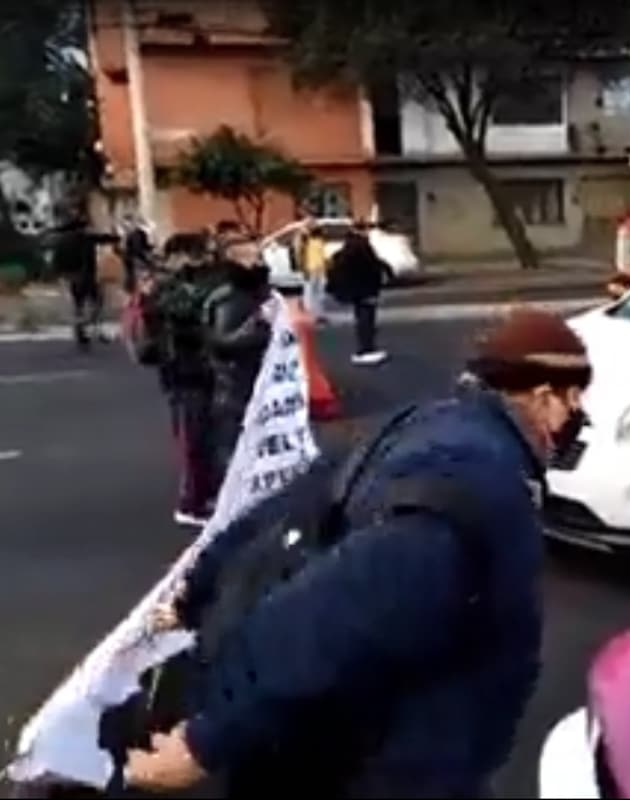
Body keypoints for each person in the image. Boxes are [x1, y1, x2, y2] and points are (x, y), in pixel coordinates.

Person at [125, 309, 593, 798]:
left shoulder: (419, 425)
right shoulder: (477, 483)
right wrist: (207, 744)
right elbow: (334, 616)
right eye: (573, 399)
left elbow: (286, 505)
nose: (576, 417)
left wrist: (197, 588)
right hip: (395, 767)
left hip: (369, 750)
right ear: (543, 397)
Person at [142, 232, 226, 527]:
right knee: (195, 437)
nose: (202, 261)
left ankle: (207, 492)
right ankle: (192, 503)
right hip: (183, 371)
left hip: (196, 370)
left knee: (208, 435)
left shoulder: (178, 283)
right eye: (197, 255)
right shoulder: (166, 286)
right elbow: (182, 313)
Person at [204, 233, 272, 484]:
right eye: (252, 257)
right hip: (235, 385)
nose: (259, 262)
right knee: (234, 445)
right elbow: (222, 342)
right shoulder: (230, 297)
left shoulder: (253, 291)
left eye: (259, 256)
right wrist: (261, 329)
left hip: (252, 381)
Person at [329, 221, 390, 366]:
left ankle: (366, 348)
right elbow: (370, 266)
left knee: (363, 317)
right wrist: (380, 276)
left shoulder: (350, 245)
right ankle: (366, 349)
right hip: (364, 288)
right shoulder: (360, 245)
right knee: (366, 319)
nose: (369, 232)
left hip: (358, 289)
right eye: (367, 229)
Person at [51, 216, 115, 351]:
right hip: (86, 276)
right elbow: (106, 239)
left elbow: (56, 262)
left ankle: (81, 333)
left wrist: (62, 275)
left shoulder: (61, 242)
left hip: (72, 277)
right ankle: (92, 329)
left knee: (78, 305)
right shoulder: (85, 238)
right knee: (96, 302)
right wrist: (115, 235)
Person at [300, 219, 329, 323]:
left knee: (319, 293)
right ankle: (311, 315)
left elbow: (323, 256)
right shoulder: (306, 241)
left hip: (320, 269)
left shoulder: (320, 241)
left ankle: (319, 315)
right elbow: (303, 256)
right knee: (310, 293)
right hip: (311, 269)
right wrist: (304, 269)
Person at [121, 214, 154, 294]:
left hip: (134, 261)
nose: (126, 226)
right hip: (135, 261)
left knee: (135, 279)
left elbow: (139, 248)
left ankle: (134, 293)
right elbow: (141, 248)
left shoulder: (134, 234)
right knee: (136, 280)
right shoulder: (135, 234)